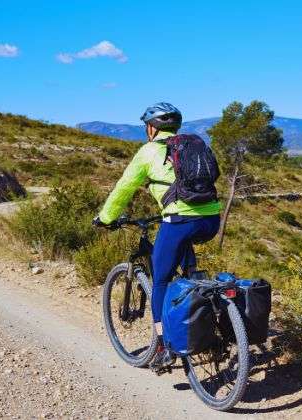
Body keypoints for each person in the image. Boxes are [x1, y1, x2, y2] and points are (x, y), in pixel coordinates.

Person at [93, 102, 221, 373]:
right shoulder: (194, 144)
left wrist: (105, 217)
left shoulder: (149, 151)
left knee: (160, 280)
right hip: (211, 219)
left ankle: (163, 347)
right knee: (187, 270)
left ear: (151, 128)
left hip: (179, 219)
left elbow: (124, 187)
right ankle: (209, 317)